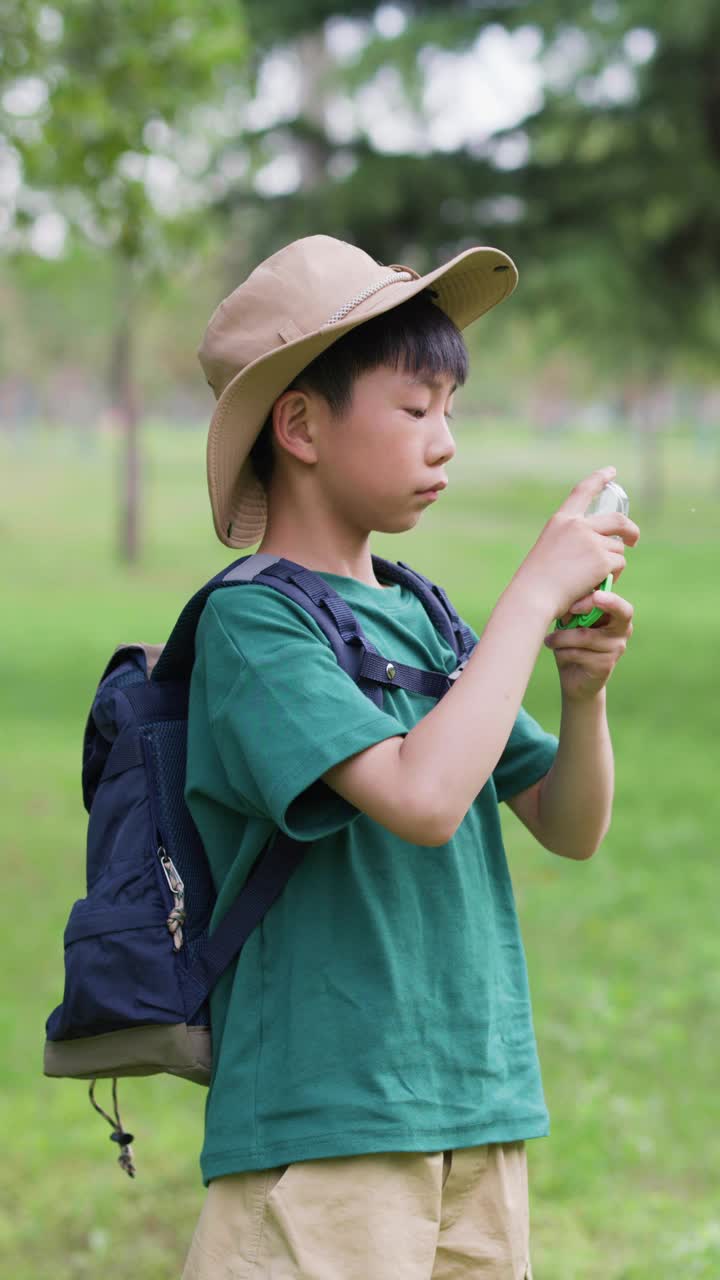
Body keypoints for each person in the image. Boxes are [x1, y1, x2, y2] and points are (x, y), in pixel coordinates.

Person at [181, 235, 638, 1279]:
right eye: (415, 407)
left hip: (476, 1102)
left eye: (451, 410)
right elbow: (422, 797)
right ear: (299, 424)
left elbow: (570, 824)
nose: (446, 442)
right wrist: (528, 598)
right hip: (326, 1118)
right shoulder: (256, 624)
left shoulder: (423, 617)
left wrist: (581, 692)